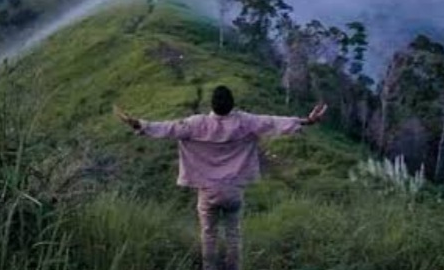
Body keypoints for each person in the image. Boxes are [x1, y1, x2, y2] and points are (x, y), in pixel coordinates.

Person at [114, 85, 327, 270]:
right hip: (234, 190)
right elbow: (273, 122)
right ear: (232, 104)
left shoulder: (197, 124)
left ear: (212, 105)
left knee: (209, 234)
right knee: (233, 234)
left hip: (208, 192)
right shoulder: (245, 122)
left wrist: (139, 124)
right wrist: (306, 121)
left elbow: (167, 128)